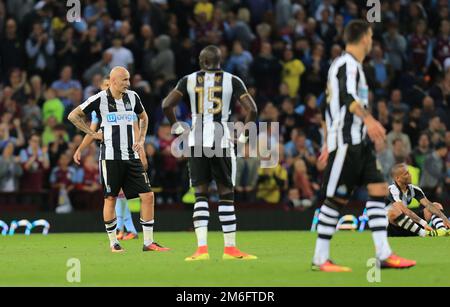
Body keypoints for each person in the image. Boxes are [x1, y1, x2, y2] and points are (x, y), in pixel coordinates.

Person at [313, 20, 416, 272]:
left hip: (359, 142)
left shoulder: (348, 66)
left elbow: (328, 107)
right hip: (348, 142)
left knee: (379, 190)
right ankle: (320, 258)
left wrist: (328, 140)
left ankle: (384, 254)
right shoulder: (347, 64)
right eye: (370, 36)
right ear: (364, 38)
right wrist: (368, 120)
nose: (372, 41)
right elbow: (347, 98)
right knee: (336, 199)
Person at [162, 45, 258, 261]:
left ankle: (201, 250)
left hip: (196, 141)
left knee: (200, 195)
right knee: (226, 195)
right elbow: (252, 109)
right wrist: (243, 137)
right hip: (221, 140)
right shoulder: (232, 80)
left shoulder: (187, 80)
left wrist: (177, 128)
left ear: (201, 61)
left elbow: (167, 104)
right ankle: (230, 249)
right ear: (219, 61)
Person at [68, 67, 168, 253]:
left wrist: (141, 140)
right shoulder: (99, 99)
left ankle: (148, 242)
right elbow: (73, 115)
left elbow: (143, 117)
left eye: (128, 79)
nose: (128, 83)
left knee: (148, 195)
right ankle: (114, 242)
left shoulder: (133, 97)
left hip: (131, 157)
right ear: (113, 81)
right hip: (110, 158)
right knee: (111, 199)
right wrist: (92, 133)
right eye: (124, 80)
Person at [386, 163, 450, 237]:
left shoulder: (414, 189)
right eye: (406, 174)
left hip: (410, 225)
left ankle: (442, 231)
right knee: (394, 211)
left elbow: (429, 205)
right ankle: (424, 233)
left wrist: (444, 218)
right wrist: (424, 223)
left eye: (409, 173)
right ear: (398, 178)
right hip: (394, 228)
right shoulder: (392, 189)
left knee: (436, 205)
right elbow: (405, 211)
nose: (410, 175)